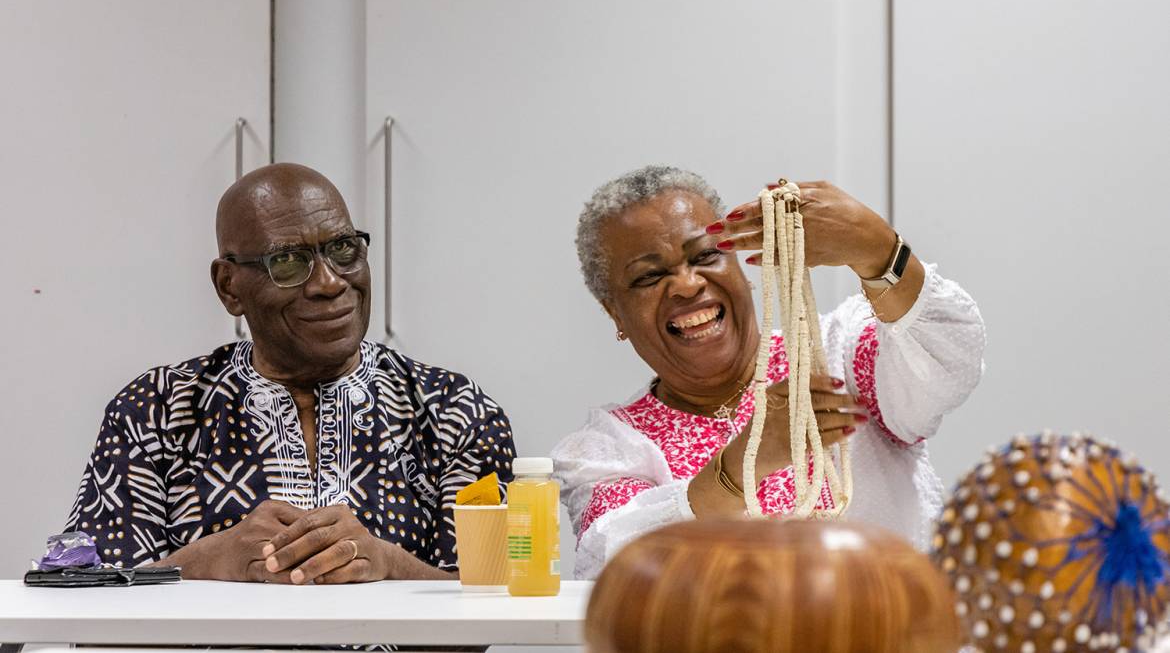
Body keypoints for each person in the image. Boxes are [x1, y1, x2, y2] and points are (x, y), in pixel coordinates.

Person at [65, 163, 515, 584]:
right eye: (288, 262)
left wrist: (392, 566)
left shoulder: (453, 412)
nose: (329, 282)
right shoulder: (157, 409)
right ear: (229, 286)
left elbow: (495, 604)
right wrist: (204, 562)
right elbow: (93, 619)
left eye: (343, 249)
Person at [552, 165, 986, 579]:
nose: (686, 284)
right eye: (649, 277)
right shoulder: (606, 451)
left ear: (739, 266)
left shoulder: (837, 354)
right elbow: (616, 567)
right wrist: (742, 466)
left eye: (706, 255)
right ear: (615, 314)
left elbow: (950, 361)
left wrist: (878, 250)